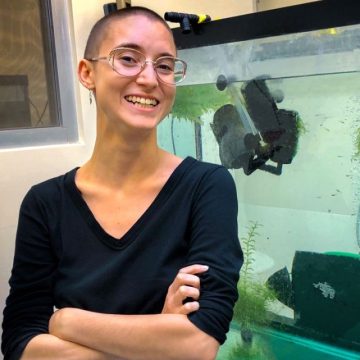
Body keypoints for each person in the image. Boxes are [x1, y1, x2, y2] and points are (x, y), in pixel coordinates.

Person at [1, 6, 243, 360]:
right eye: (128, 58)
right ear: (87, 72)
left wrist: (67, 322)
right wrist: (158, 340)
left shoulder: (207, 187)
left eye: (163, 65)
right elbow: (20, 344)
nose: (149, 78)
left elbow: (199, 344)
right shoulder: (45, 203)